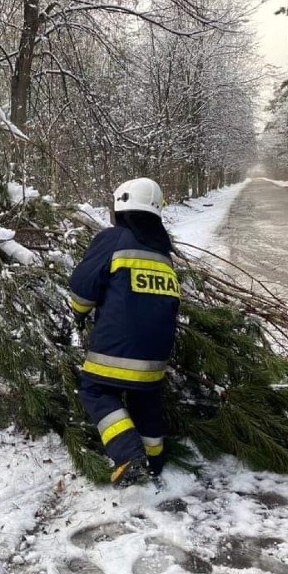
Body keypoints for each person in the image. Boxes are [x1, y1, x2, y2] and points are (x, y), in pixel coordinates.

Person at [68, 178, 180, 487]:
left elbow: (83, 285)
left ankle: (128, 455)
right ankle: (154, 460)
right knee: (145, 397)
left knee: (95, 390)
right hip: (157, 354)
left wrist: (77, 314)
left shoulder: (114, 238)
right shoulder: (163, 252)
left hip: (117, 347)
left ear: (122, 206)